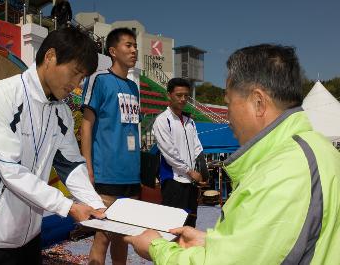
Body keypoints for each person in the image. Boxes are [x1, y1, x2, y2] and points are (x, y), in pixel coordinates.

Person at [125, 44, 340, 264]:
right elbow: (263, 245)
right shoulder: (318, 149)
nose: (228, 117)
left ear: (258, 103)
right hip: (177, 177)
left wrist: (156, 248)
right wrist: (213, 242)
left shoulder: (279, 174)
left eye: (228, 104)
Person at [0, 27, 106, 265]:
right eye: (75, 73)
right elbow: (10, 170)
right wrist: (67, 206)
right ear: (50, 56)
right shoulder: (0, 97)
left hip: (29, 233)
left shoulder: (62, 112)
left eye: (82, 78)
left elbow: (71, 164)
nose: (76, 84)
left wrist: (95, 205)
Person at [81, 27, 140, 265]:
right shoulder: (99, 80)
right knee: (103, 236)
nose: (134, 50)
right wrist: (88, 166)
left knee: (122, 237)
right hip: (106, 173)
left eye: (135, 45)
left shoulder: (134, 87)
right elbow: (86, 125)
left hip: (131, 175)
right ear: (113, 51)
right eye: (129, 45)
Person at [152, 77, 204, 227]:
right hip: (173, 180)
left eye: (186, 96)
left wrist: (201, 169)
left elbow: (197, 147)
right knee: (173, 226)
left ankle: (187, 251)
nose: (183, 99)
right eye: (179, 95)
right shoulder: (162, 120)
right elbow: (169, 153)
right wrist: (189, 171)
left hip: (191, 180)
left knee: (190, 224)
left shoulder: (190, 121)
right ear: (169, 95)